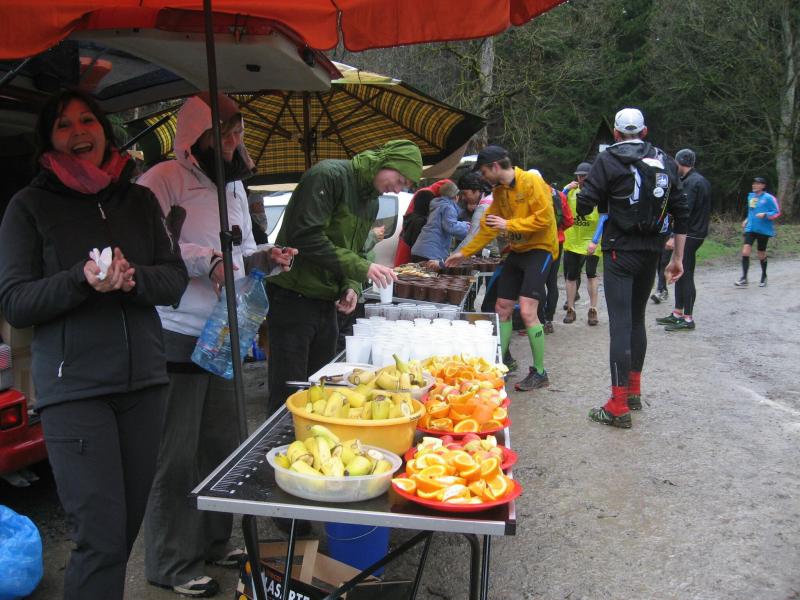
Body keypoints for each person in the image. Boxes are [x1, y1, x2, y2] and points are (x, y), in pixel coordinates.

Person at [0, 89, 188, 600]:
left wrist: (133, 279)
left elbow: (173, 278)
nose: (78, 131)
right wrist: (80, 279)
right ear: (49, 140)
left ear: (105, 130)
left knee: (124, 531)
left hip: (144, 385)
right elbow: (16, 302)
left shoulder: (139, 201)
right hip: (75, 392)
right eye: (63, 125)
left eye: (87, 120)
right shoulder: (29, 206)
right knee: (99, 540)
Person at [138, 93, 296, 598]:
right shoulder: (162, 179)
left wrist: (266, 257)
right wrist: (207, 260)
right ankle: (170, 561)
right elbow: (152, 245)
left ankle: (213, 540)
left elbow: (243, 252)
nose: (232, 142)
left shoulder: (232, 187)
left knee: (224, 444)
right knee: (175, 454)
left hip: (226, 330)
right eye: (222, 133)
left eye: (237, 133)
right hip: (176, 330)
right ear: (195, 136)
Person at [266, 139, 422, 416]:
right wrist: (361, 269)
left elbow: (358, 249)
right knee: (289, 390)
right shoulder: (328, 176)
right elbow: (306, 237)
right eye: (399, 180)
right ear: (385, 163)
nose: (398, 189)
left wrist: (350, 286)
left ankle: (316, 438)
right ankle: (283, 441)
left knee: (323, 387)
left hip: (327, 302)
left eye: (405, 186)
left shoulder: (371, 202)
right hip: (293, 297)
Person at [577, 107, 688, 429]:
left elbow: (585, 204)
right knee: (637, 320)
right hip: (652, 251)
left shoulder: (608, 159)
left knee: (621, 326)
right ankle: (633, 392)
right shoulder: (665, 159)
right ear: (644, 131)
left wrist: (594, 197)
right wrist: (677, 258)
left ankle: (617, 405)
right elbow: (682, 211)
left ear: (615, 133)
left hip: (619, 251)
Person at [445, 145, 558, 392]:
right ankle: (502, 365)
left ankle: (540, 372)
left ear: (495, 166)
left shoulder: (531, 182)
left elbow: (545, 220)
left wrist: (509, 224)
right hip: (517, 251)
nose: (483, 177)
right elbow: (488, 227)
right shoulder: (499, 191)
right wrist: (464, 252)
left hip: (540, 250)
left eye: (484, 172)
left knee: (527, 311)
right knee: (501, 307)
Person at [656, 149, 712, 331]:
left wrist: (674, 236)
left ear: (680, 162)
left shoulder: (692, 182)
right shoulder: (699, 180)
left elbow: (684, 213)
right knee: (679, 273)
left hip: (690, 234)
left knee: (685, 274)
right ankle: (677, 313)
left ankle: (687, 318)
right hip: (696, 232)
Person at [562, 161, 602, 326]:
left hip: (591, 240)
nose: (581, 178)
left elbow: (604, 217)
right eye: (579, 176)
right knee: (571, 275)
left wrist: (595, 241)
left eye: (584, 176)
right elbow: (556, 202)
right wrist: (565, 189)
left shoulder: (599, 193)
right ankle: (571, 309)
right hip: (573, 240)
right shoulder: (571, 192)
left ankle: (593, 310)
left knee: (591, 274)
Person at [734, 176, 780, 287]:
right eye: (753, 183)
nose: (754, 185)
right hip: (751, 228)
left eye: (757, 184)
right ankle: (744, 278)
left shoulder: (769, 198)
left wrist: (765, 214)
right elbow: (752, 211)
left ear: (763, 186)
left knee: (761, 254)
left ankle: (764, 276)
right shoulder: (751, 196)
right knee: (745, 252)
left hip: (763, 230)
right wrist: (746, 220)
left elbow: (777, 212)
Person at [539, 183, 573, 333]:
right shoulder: (559, 195)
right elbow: (569, 220)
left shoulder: (532, 192)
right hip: (557, 241)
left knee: (538, 281)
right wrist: (558, 230)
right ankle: (548, 320)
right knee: (552, 282)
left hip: (539, 243)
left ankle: (538, 319)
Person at [411, 180, 470, 263]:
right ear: (456, 196)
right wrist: (468, 227)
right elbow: (451, 227)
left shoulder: (437, 205)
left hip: (420, 250)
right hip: (431, 253)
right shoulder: (448, 207)